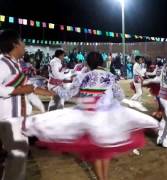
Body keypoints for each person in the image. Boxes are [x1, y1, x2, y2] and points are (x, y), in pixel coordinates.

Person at [19, 52, 159, 180]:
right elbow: (120, 96)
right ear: (102, 63)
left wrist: (54, 89)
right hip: (107, 118)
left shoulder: (82, 76)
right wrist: (108, 102)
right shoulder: (109, 76)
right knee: (104, 151)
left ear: (87, 63)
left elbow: (68, 94)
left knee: (98, 153)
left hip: (89, 118)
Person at [0, 29, 54, 180]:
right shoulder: (3, 64)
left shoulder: (15, 64)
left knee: (19, 154)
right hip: (8, 118)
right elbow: (19, 88)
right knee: (18, 154)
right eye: (22, 41)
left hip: (18, 117)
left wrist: (48, 93)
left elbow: (29, 87)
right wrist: (20, 89)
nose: (24, 45)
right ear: (15, 44)